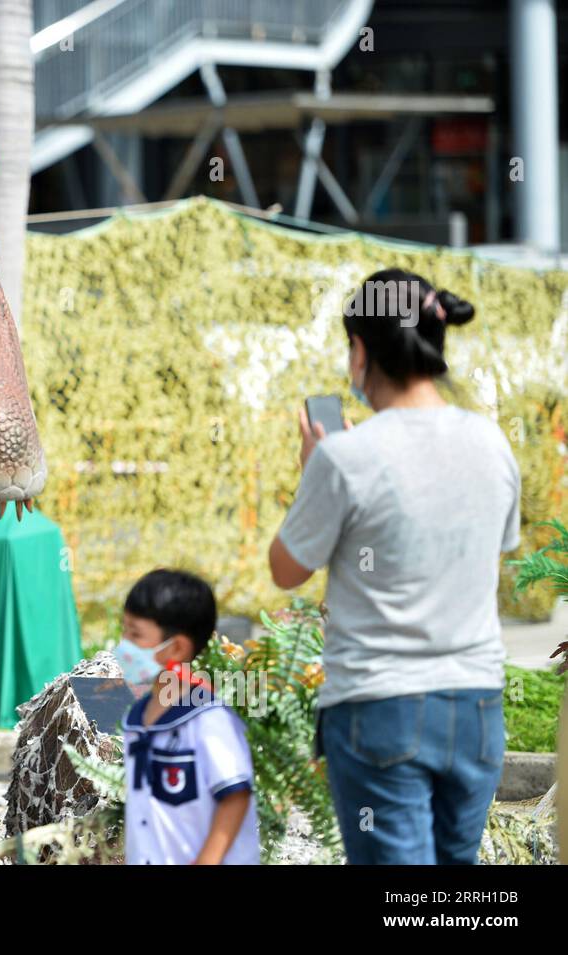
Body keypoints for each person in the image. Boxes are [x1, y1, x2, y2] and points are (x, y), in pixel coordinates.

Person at [269, 270, 520, 864]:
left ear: (361, 350)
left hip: (381, 708)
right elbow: (496, 548)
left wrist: (316, 470)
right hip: (477, 707)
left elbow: (286, 569)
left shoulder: (344, 458)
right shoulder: (492, 444)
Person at [115, 569, 261, 865]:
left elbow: (235, 796)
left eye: (136, 634)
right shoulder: (136, 719)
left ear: (177, 647)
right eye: (124, 630)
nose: (124, 643)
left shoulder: (209, 720)